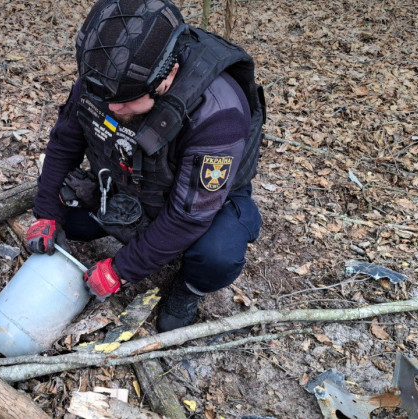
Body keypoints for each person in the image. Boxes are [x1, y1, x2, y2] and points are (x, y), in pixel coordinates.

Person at [26, 0, 266, 332]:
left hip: (196, 200)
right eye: (106, 99)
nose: (112, 107)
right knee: (73, 223)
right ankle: (131, 229)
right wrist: (47, 213)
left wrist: (121, 270)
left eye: (124, 102)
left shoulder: (218, 112)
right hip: (129, 174)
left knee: (217, 256)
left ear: (169, 75)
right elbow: (65, 140)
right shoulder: (106, 73)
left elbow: (188, 215)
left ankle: (188, 288)